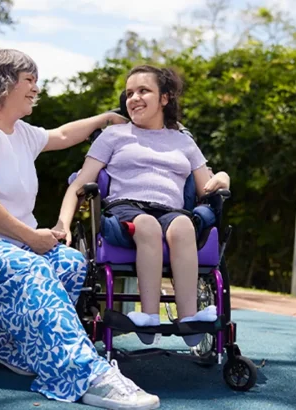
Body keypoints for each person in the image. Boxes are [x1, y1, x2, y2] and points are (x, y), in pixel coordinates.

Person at [0, 47, 160, 410]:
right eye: (29, 80)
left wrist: (104, 119)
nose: (35, 88)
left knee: (70, 264)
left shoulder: (18, 132)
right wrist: (30, 237)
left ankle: (7, 347)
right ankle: (85, 374)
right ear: (3, 83)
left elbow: (59, 136)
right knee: (32, 267)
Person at [55, 65, 230, 347]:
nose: (133, 98)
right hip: (125, 209)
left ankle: (189, 317)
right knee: (146, 225)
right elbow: (79, 184)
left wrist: (223, 177)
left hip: (172, 212)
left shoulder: (183, 141)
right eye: (129, 93)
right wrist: (62, 224)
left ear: (165, 98)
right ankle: (149, 316)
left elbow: (207, 185)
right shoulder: (114, 136)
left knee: (185, 225)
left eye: (143, 91)